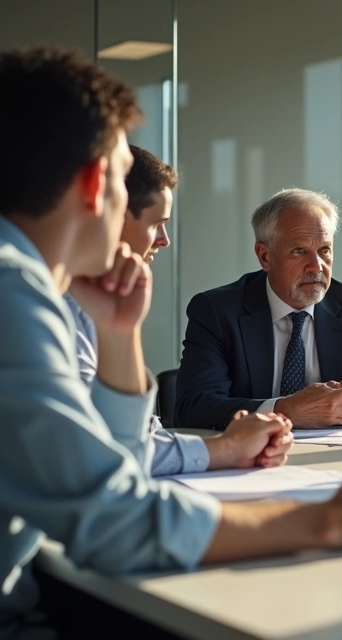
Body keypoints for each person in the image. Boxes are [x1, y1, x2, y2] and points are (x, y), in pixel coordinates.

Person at [0, 48, 342, 639]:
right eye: (122, 179)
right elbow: (113, 524)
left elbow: (115, 467)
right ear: (95, 184)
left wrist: (118, 337)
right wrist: (328, 520)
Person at [65, 145, 290, 475]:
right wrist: (228, 448)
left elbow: (137, 436)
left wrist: (237, 444)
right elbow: (103, 448)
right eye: (157, 223)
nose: (164, 240)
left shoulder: (92, 303)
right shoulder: (55, 306)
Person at [174, 188, 342, 430]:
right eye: (299, 251)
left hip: (334, 458)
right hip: (249, 458)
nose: (317, 266)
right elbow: (193, 406)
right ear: (265, 256)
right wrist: (285, 411)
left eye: (325, 250)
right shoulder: (217, 311)